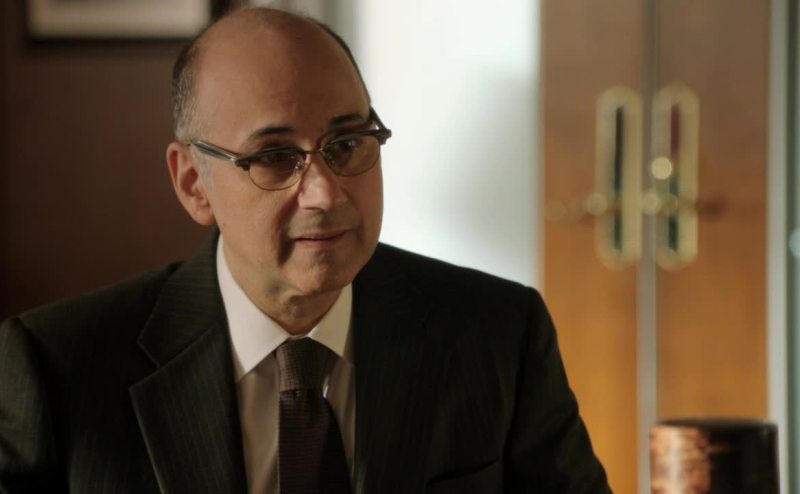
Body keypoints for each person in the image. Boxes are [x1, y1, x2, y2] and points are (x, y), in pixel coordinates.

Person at [0, 7, 610, 493]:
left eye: (346, 144)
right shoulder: (60, 368)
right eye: (274, 157)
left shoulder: (498, 335)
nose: (324, 192)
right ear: (193, 184)